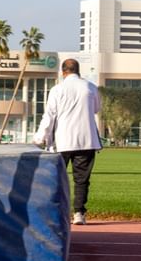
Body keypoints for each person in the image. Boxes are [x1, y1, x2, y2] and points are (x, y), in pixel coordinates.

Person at [33, 58, 102, 226]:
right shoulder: (90, 87)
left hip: (62, 141)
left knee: (56, 178)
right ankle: (79, 213)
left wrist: (40, 137)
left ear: (63, 72)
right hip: (86, 141)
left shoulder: (57, 89)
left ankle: (55, 213)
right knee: (82, 180)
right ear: (78, 70)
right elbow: (96, 109)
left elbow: (49, 116)